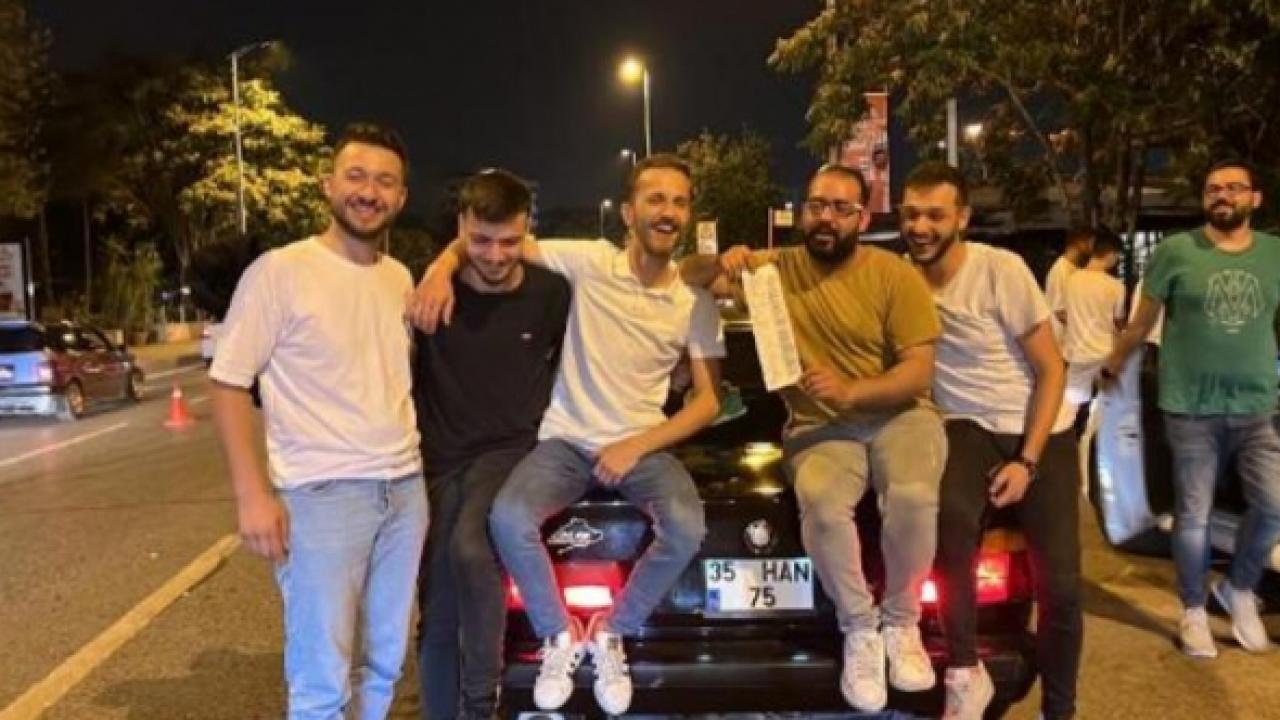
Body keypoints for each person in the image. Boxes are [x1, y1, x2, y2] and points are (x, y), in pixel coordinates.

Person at [411, 153, 724, 716]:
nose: (667, 211)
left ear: (688, 215)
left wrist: (636, 444)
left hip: (642, 447)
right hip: (565, 442)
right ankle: (558, 635)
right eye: (655, 198)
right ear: (628, 212)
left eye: (679, 202)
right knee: (508, 517)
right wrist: (441, 265)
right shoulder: (589, 261)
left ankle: (612, 633)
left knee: (686, 525)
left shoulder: (693, 302)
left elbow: (709, 401)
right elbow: (495, 237)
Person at [683, 163, 944, 713]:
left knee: (913, 495)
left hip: (899, 416)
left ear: (863, 218)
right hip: (820, 428)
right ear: (803, 211)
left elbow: (919, 371)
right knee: (823, 505)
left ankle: (902, 623)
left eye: (842, 208)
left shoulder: (895, 275)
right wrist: (721, 259)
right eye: (818, 205)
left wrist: (853, 391)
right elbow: (689, 273)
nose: (827, 218)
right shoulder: (772, 272)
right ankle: (860, 630)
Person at [210, 123, 427, 720]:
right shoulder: (280, 272)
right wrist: (253, 496)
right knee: (321, 679)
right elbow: (228, 383)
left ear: (401, 197)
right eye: (356, 177)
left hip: (404, 491)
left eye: (385, 182)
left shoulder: (398, 278)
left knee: (386, 660)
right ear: (328, 184)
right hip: (321, 497)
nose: (369, 192)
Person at [901, 162, 1081, 720]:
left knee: (1061, 587)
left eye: (935, 215)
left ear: (962, 218)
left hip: (1042, 428)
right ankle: (964, 672)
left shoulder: (1000, 269)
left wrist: (1027, 461)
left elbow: (1051, 368)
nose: (921, 227)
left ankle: (1059, 709)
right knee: (948, 519)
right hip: (967, 425)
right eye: (911, 214)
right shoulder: (900, 277)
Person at [1103, 160, 1280, 658]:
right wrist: (1112, 366)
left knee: (1273, 506)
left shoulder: (1274, 254)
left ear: (1255, 198)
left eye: (1233, 188)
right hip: (1191, 410)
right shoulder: (1176, 251)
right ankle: (1193, 609)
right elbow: (1141, 323)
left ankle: (1238, 588)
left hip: (1257, 405)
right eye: (1213, 189)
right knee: (1194, 515)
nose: (1222, 195)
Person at [414, 169, 571, 720]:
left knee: (471, 547)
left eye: (510, 241)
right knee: (438, 611)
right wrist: (442, 266)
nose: (497, 255)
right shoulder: (430, 291)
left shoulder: (551, 293)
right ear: (461, 227)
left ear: (527, 229)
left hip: (509, 451)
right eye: (480, 241)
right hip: (439, 463)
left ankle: (481, 702)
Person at [1058, 232, 1126, 416]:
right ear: (1111, 254)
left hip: (1077, 352)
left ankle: (1075, 431)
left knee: (1072, 406)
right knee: (1107, 405)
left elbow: (1063, 313)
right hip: (1105, 352)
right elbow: (1118, 321)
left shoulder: (1071, 280)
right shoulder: (1116, 286)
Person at [1045, 227, 1095, 340]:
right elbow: (1059, 310)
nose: (1093, 247)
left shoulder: (1075, 269)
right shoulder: (1060, 270)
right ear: (1080, 242)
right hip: (1061, 339)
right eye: (1091, 242)